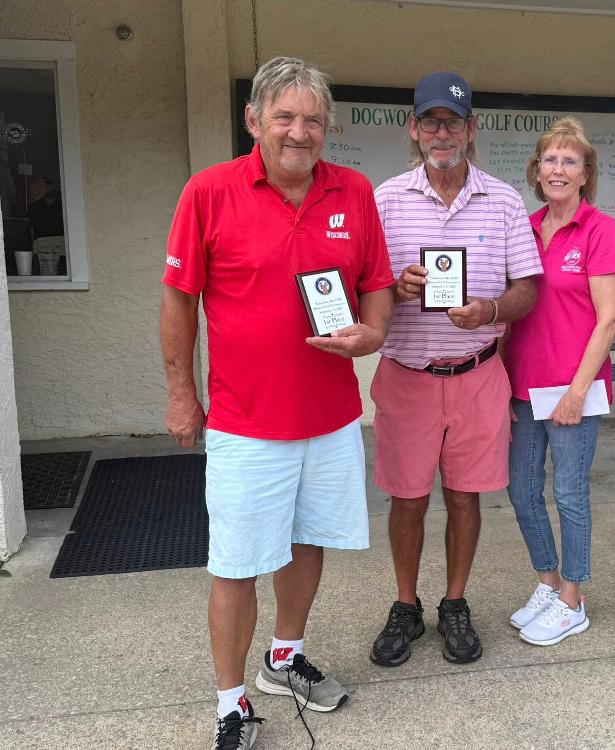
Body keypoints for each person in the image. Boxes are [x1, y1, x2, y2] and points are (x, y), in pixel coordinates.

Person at [160, 57, 395, 750]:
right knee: (236, 565)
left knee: (307, 541)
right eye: (285, 117)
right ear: (253, 121)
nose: (299, 132)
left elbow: (376, 283)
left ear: (328, 128)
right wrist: (182, 395)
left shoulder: (353, 191)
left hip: (329, 418)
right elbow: (179, 302)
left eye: (313, 120)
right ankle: (231, 704)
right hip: (246, 423)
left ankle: (283, 659)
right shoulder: (209, 191)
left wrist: (372, 333)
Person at [369, 71, 541, 667]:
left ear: (472, 129)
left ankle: (454, 602)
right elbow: (363, 286)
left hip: (477, 372)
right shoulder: (386, 200)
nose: (442, 133)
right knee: (407, 499)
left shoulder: (504, 200)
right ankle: (405, 604)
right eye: (431, 122)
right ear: (413, 129)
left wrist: (489, 310)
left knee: (465, 498)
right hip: (408, 374)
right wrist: (394, 287)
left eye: (454, 122)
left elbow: (527, 290)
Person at [504, 117, 615, 646]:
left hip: (575, 387)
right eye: (550, 159)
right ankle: (549, 582)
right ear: (537, 170)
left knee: (570, 494)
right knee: (521, 491)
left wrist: (577, 392)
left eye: (569, 161)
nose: (558, 169)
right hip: (524, 386)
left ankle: (573, 600)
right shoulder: (526, 228)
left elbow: (609, 318)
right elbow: (513, 311)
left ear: (585, 173)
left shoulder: (600, 230)